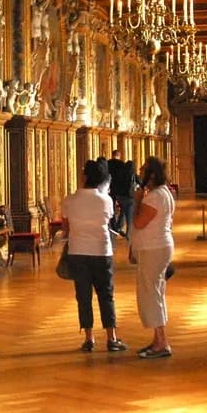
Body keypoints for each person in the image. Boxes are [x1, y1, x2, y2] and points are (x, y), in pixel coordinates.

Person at [61, 160, 126, 352]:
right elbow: (109, 221)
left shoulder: (69, 200)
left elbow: (65, 230)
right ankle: (111, 338)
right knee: (106, 295)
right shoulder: (105, 200)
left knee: (83, 296)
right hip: (101, 251)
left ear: (85, 176)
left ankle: (89, 339)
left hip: (77, 252)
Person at [130, 157, 174, 359]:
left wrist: (137, 201)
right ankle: (158, 339)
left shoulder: (154, 197)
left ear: (152, 174)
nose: (140, 171)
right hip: (157, 247)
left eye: (144, 169)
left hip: (153, 248)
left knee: (151, 293)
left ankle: (162, 342)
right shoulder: (163, 193)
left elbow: (139, 223)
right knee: (155, 291)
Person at [107, 149, 136, 240]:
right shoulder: (121, 165)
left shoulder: (108, 163)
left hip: (110, 188)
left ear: (112, 155)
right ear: (119, 155)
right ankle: (119, 226)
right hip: (120, 190)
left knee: (111, 207)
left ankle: (113, 225)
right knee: (123, 210)